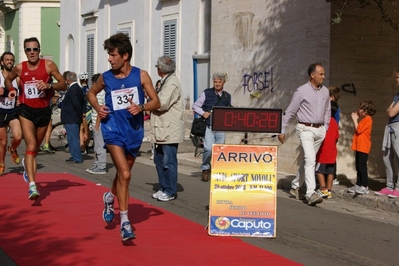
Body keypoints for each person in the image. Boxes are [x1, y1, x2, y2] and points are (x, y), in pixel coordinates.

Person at [87, 33, 160, 241]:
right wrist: (98, 107)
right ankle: (125, 223)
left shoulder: (141, 76)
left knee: (122, 174)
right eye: (109, 55)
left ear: (125, 55)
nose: (109, 59)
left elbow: (156, 102)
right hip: (112, 130)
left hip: (133, 132)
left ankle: (110, 197)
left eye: (113, 55)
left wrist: (142, 107)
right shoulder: (106, 77)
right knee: (126, 175)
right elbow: (91, 93)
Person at [4, 37, 67, 200]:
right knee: (31, 145)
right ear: (24, 52)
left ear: (39, 50)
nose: (32, 52)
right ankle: (32, 185)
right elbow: (8, 79)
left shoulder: (48, 65)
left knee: (35, 149)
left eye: (35, 49)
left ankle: (27, 164)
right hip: (25, 111)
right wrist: (11, 90)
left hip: (44, 111)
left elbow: (63, 83)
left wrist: (49, 86)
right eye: (28, 50)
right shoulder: (19, 68)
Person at [278, 63, 330, 206]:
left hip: (320, 130)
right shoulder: (301, 91)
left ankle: (295, 186)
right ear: (312, 75)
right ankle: (310, 193)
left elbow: (327, 110)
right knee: (310, 158)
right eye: (321, 74)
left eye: (324, 74)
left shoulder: (325, 91)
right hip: (305, 129)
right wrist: (282, 130)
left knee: (308, 160)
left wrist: (326, 127)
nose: (323, 77)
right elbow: (289, 112)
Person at [150, 56, 185, 202]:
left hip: (169, 129)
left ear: (161, 69)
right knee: (159, 159)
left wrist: (146, 105)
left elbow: (161, 103)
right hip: (162, 128)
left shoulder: (171, 84)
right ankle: (163, 187)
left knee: (168, 161)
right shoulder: (165, 82)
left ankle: (170, 190)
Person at [192, 72, 232, 182]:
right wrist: (203, 113)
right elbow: (195, 105)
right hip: (210, 126)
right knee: (208, 148)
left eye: (219, 81)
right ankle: (205, 168)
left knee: (219, 150)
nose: (217, 83)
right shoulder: (206, 93)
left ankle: (217, 170)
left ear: (224, 82)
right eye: (215, 81)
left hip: (222, 127)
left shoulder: (227, 96)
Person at [347, 100, 376, 195]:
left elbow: (359, 130)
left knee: (362, 166)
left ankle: (364, 185)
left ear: (365, 111)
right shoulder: (364, 119)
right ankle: (358, 184)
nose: (358, 110)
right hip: (359, 146)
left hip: (363, 146)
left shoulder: (368, 119)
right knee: (358, 166)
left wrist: (355, 119)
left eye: (361, 108)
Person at [0, 52, 22, 175]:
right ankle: (1, 163)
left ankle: (12, 149)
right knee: (3, 142)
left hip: (13, 111)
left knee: (18, 136)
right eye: (7, 59)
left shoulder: (17, 78)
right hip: (0, 111)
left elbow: (22, 93)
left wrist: (19, 99)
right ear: (2, 62)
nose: (9, 61)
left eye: (11, 60)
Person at [379, 70, 399, 198]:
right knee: (387, 157)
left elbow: (391, 112)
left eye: (398, 77)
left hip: (397, 127)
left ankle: (398, 187)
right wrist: (391, 109)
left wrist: (391, 109)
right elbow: (388, 110)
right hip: (390, 127)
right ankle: (389, 185)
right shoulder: (397, 95)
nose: (396, 80)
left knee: (398, 157)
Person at [315, 101, 339, 199]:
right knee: (330, 171)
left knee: (319, 170)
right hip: (332, 150)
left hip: (323, 150)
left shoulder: (324, 122)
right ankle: (329, 190)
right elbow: (337, 136)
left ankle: (323, 188)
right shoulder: (334, 122)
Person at [61, 71, 85, 164]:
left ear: (68, 79)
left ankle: (77, 157)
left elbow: (76, 104)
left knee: (73, 138)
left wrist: (80, 115)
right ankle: (74, 155)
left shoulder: (73, 89)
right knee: (71, 137)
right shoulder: (77, 88)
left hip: (72, 117)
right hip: (73, 117)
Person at [86, 73, 107, 174]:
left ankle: (101, 165)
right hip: (95, 122)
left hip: (99, 123)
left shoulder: (100, 94)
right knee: (96, 145)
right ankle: (97, 163)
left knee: (100, 145)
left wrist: (97, 125)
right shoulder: (98, 94)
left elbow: (100, 110)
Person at [329, 86, 341, 186]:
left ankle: (333, 176)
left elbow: (335, 123)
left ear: (332, 97)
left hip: (331, 134)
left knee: (331, 155)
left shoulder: (334, 108)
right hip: (332, 133)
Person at [79, 72, 90, 155]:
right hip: (90, 111)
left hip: (84, 112)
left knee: (82, 130)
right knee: (88, 130)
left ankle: (83, 149)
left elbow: (81, 102)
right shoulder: (89, 89)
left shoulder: (80, 90)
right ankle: (86, 147)